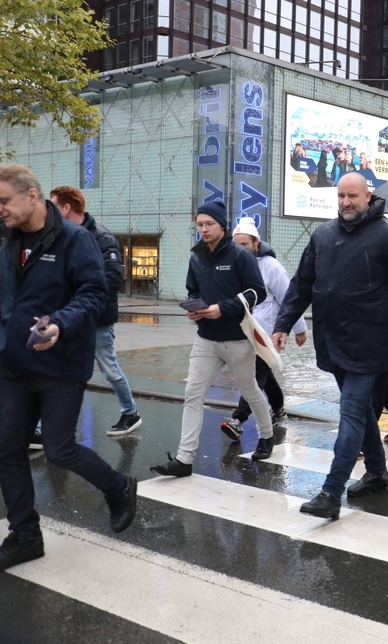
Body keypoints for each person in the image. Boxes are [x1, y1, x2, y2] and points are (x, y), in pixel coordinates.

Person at [0, 164, 137, 576]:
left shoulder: (75, 240)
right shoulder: (10, 239)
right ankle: (25, 536)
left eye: (3, 200)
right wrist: (6, 337)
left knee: (59, 448)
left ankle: (118, 487)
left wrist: (60, 324)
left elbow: (95, 293)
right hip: (17, 362)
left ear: (32, 196)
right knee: (7, 450)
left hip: (62, 364)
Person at [272, 172, 388, 520]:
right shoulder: (323, 234)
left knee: (351, 410)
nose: (346, 202)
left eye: (353, 196)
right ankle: (376, 472)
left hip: (375, 339)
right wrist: (283, 323)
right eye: (341, 196)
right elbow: (302, 284)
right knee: (357, 413)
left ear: (368, 196)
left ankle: (331, 492)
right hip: (334, 337)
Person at [150, 200, 275, 476]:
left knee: (250, 389)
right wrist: (194, 308)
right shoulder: (196, 256)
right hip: (205, 338)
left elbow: (257, 293)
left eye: (209, 224)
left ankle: (267, 436)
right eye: (199, 225)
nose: (203, 229)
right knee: (192, 394)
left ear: (222, 226)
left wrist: (223, 308)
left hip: (237, 340)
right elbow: (192, 290)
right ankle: (184, 460)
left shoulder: (241, 256)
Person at [49, 186, 141, 436]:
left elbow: (112, 280)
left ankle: (130, 413)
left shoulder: (101, 237)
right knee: (56, 370)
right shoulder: (58, 236)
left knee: (109, 369)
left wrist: (82, 303)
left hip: (96, 319)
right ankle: (43, 426)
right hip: (68, 318)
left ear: (66, 208)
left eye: (52, 205)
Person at [220, 217, 308, 442]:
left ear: (256, 244)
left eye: (245, 244)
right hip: (243, 330)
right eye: (236, 244)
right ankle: (278, 409)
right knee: (264, 374)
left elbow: (290, 299)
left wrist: (298, 329)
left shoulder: (271, 267)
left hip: (267, 333)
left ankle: (238, 420)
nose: (240, 249)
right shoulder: (233, 266)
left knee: (255, 376)